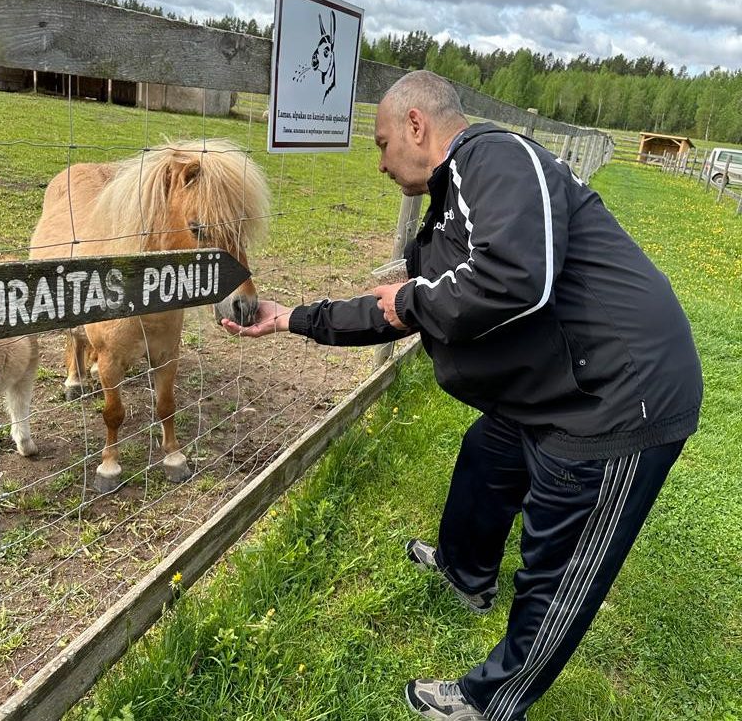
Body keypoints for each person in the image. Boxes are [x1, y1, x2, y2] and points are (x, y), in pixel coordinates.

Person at [221, 70, 703, 721]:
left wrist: (412, 300)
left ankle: (490, 702)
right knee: (488, 457)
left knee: (559, 570)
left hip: (619, 395)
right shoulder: (451, 206)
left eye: (382, 143)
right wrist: (290, 318)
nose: (380, 162)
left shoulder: (495, 158)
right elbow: (400, 309)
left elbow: (516, 279)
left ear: (416, 125)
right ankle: (465, 572)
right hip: (558, 382)